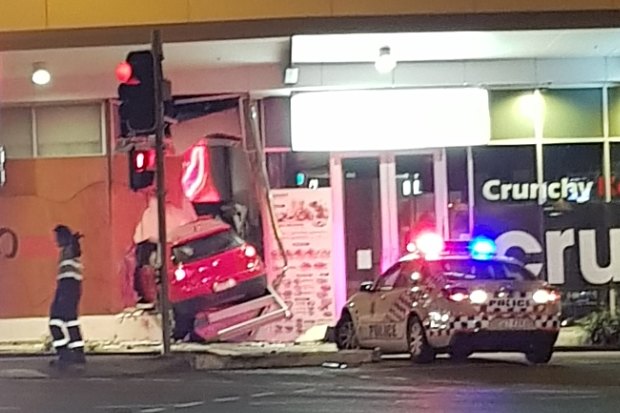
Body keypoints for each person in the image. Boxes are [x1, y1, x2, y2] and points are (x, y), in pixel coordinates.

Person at [49, 225, 86, 367]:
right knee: (71, 321)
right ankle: (77, 353)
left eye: (58, 237)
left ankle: (64, 354)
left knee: (55, 322)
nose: (56, 241)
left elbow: (75, 251)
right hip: (71, 289)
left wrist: (74, 240)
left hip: (67, 288)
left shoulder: (70, 249)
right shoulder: (67, 250)